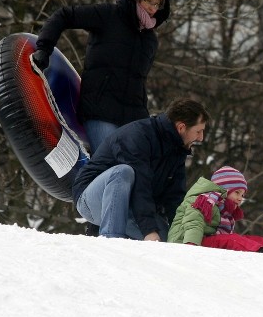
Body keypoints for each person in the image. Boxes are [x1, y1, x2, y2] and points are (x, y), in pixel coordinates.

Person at [31, 0, 171, 152]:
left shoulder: (150, 40)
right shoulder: (109, 15)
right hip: (99, 110)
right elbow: (64, 15)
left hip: (134, 116)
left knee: (136, 171)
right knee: (110, 165)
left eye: (157, 4)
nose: (153, 8)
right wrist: (44, 48)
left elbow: (139, 80)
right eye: (149, 1)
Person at [72, 98, 209, 241]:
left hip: (133, 207)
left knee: (168, 242)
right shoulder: (138, 136)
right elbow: (140, 185)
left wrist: (185, 232)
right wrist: (148, 230)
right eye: (198, 131)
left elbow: (175, 198)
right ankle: (112, 240)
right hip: (92, 199)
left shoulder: (178, 149)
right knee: (123, 172)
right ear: (181, 127)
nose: (201, 138)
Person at [168, 166, 263, 255]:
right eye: (237, 192)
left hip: (204, 240)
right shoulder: (202, 200)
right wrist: (191, 247)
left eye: (242, 195)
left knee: (248, 239)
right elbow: (193, 223)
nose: (240, 198)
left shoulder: (222, 206)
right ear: (223, 190)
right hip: (186, 242)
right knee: (232, 239)